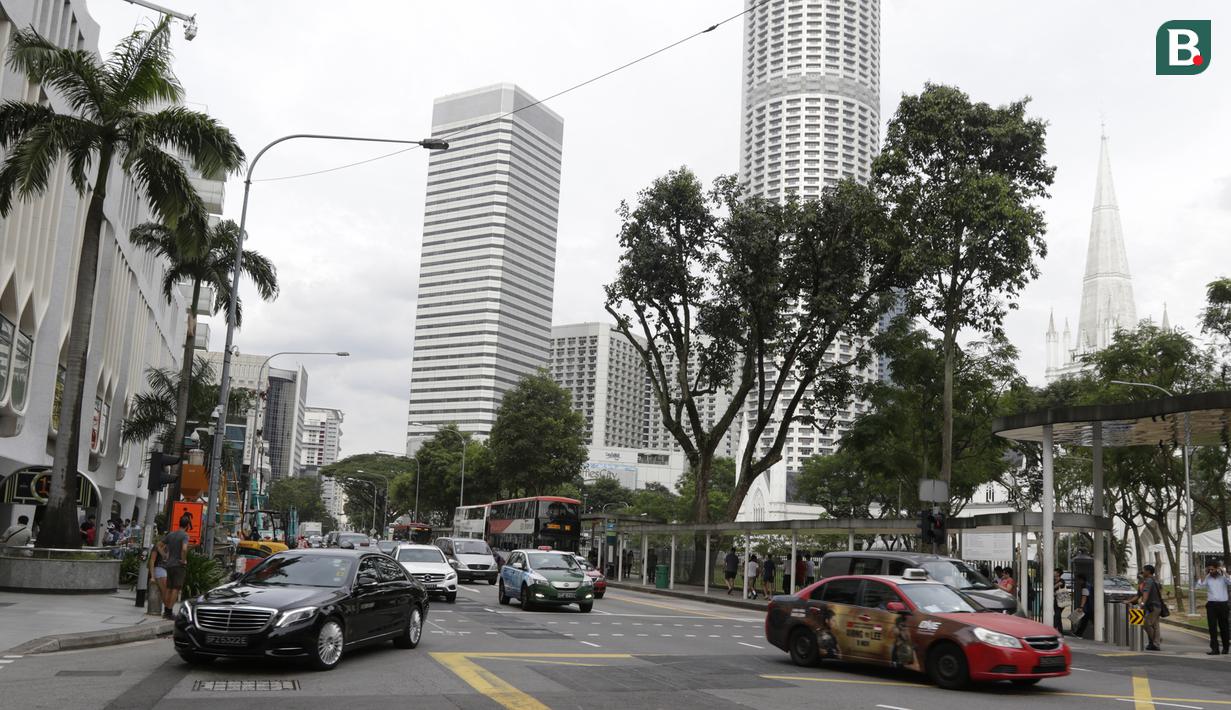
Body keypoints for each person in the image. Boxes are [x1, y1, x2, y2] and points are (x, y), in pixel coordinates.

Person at [157, 513, 191, 619]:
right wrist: (183, 560)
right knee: (176, 589)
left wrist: (164, 555)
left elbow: (159, 545)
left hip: (169, 565)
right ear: (187, 525)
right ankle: (170, 612)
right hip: (178, 566)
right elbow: (184, 549)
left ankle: (166, 611)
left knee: (168, 588)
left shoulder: (171, 534)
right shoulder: (185, 535)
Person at [1196, 560, 1231, 655]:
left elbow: (1230, 581)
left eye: (1212, 569)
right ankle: (1215, 649)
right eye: (1209, 569)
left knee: (1224, 627)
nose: (1211, 571)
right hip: (1211, 605)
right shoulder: (1207, 578)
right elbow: (1199, 586)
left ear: (1217, 568)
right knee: (1212, 628)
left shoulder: (1223, 578)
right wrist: (1203, 573)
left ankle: (1226, 648)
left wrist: (1223, 571)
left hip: (1223, 605)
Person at [1128, 564, 1164, 651]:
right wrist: (1128, 601)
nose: (1142, 573)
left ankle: (1156, 641)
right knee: (1155, 626)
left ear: (1148, 572)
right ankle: (1154, 644)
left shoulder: (1149, 581)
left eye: (1143, 571)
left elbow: (1146, 594)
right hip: (1151, 607)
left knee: (1146, 623)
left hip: (1154, 606)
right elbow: (1138, 595)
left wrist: (1142, 603)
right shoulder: (1144, 582)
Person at [147, 540, 168, 612]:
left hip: (166, 569)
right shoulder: (157, 547)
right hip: (159, 568)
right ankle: (168, 610)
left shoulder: (170, 547)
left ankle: (168, 609)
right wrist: (152, 576)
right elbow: (152, 561)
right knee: (165, 590)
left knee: (168, 590)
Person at [1053, 568, 1066, 635]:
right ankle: (1060, 632)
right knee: (1058, 616)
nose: (1053, 572)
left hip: (1061, 601)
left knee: (1056, 615)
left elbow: (1056, 586)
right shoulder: (1053, 580)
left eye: (1054, 572)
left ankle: (1053, 629)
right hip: (1056, 600)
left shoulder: (1062, 581)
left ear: (1058, 573)